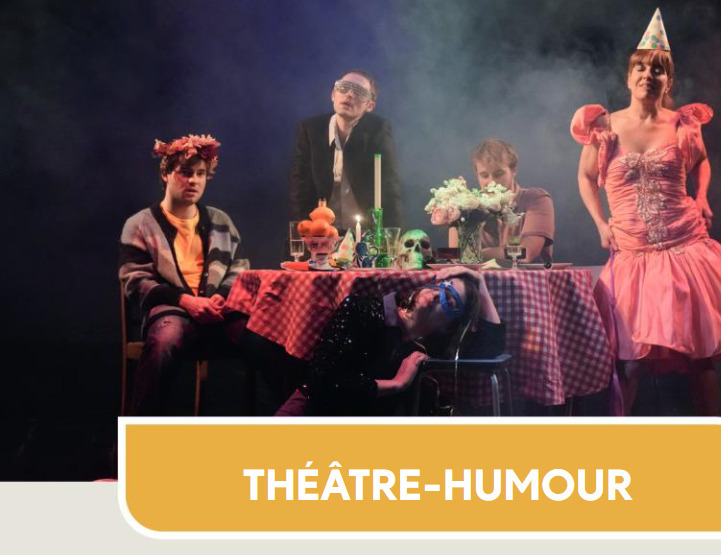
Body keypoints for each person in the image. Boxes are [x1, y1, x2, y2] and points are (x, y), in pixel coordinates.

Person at [570, 9, 721, 416]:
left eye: (657, 70)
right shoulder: (605, 127)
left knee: (700, 355)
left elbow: (702, 161)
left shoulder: (681, 125)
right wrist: (600, 222)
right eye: (640, 68)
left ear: (667, 81)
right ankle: (615, 441)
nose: (647, 75)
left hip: (683, 245)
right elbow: (585, 178)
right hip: (633, 251)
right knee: (630, 361)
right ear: (628, 78)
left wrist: (702, 196)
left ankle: (710, 436)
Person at [119, 134, 251, 415]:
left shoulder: (220, 220)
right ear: (166, 174)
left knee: (267, 338)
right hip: (172, 313)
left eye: (201, 174)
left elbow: (239, 268)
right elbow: (135, 281)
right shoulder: (139, 224)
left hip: (218, 311)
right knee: (164, 340)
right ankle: (141, 434)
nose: (194, 181)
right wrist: (185, 301)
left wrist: (220, 296)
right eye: (186, 172)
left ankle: (296, 422)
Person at [276, 267, 505, 416]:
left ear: (448, 326)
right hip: (312, 413)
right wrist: (397, 383)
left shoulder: (429, 346)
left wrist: (480, 283)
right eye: (441, 286)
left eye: (450, 300)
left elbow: (492, 349)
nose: (438, 295)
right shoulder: (364, 310)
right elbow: (323, 381)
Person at [289, 70, 404, 231]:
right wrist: (306, 232)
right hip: (321, 233)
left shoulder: (377, 131)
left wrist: (392, 238)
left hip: (363, 234)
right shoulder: (311, 130)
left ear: (369, 106)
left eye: (359, 92)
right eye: (343, 87)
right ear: (333, 95)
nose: (349, 94)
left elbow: (390, 189)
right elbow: (300, 190)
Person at [449, 139, 555, 263]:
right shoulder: (469, 207)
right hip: (477, 276)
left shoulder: (536, 199)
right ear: (477, 175)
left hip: (527, 275)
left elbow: (526, 253)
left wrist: (476, 254)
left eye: (498, 174)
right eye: (484, 175)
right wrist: (458, 213)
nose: (491, 182)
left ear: (514, 170)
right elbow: (455, 257)